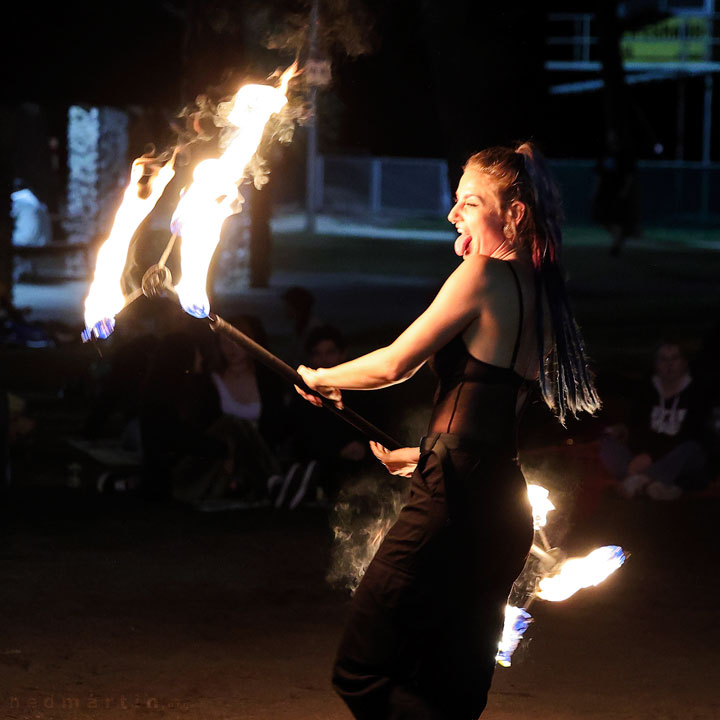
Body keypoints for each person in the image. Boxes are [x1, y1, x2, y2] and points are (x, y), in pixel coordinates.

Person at [295, 142, 600, 719]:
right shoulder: (539, 291)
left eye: (469, 202)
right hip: (502, 505)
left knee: (361, 669)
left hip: (453, 499)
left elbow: (394, 364)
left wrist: (323, 377)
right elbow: (492, 411)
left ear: (514, 214)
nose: (453, 215)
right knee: (452, 691)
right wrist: (426, 452)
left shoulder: (483, 273)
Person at [601, 340, 710, 501]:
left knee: (691, 449)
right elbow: (637, 426)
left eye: (674, 359)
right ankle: (658, 483)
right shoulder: (648, 390)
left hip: (674, 454)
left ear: (684, 363)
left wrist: (652, 456)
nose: (669, 365)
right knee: (609, 443)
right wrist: (623, 432)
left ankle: (640, 480)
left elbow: (693, 433)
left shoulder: (697, 392)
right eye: (663, 359)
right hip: (644, 454)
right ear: (656, 363)